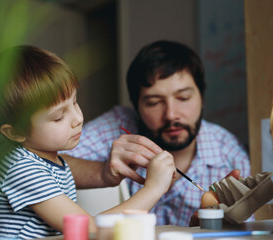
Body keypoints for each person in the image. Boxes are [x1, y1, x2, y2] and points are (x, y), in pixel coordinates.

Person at [0, 45, 176, 239]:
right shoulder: (21, 166)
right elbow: (88, 229)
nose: (78, 118)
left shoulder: (47, 160)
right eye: (59, 117)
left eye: (75, 102)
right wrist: (153, 189)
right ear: (15, 132)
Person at [63, 40, 251, 226]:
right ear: (136, 107)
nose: (171, 115)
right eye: (154, 102)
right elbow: (39, 164)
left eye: (183, 98)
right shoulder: (118, 125)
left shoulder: (228, 155)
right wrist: (101, 172)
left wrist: (205, 231)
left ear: (202, 98)